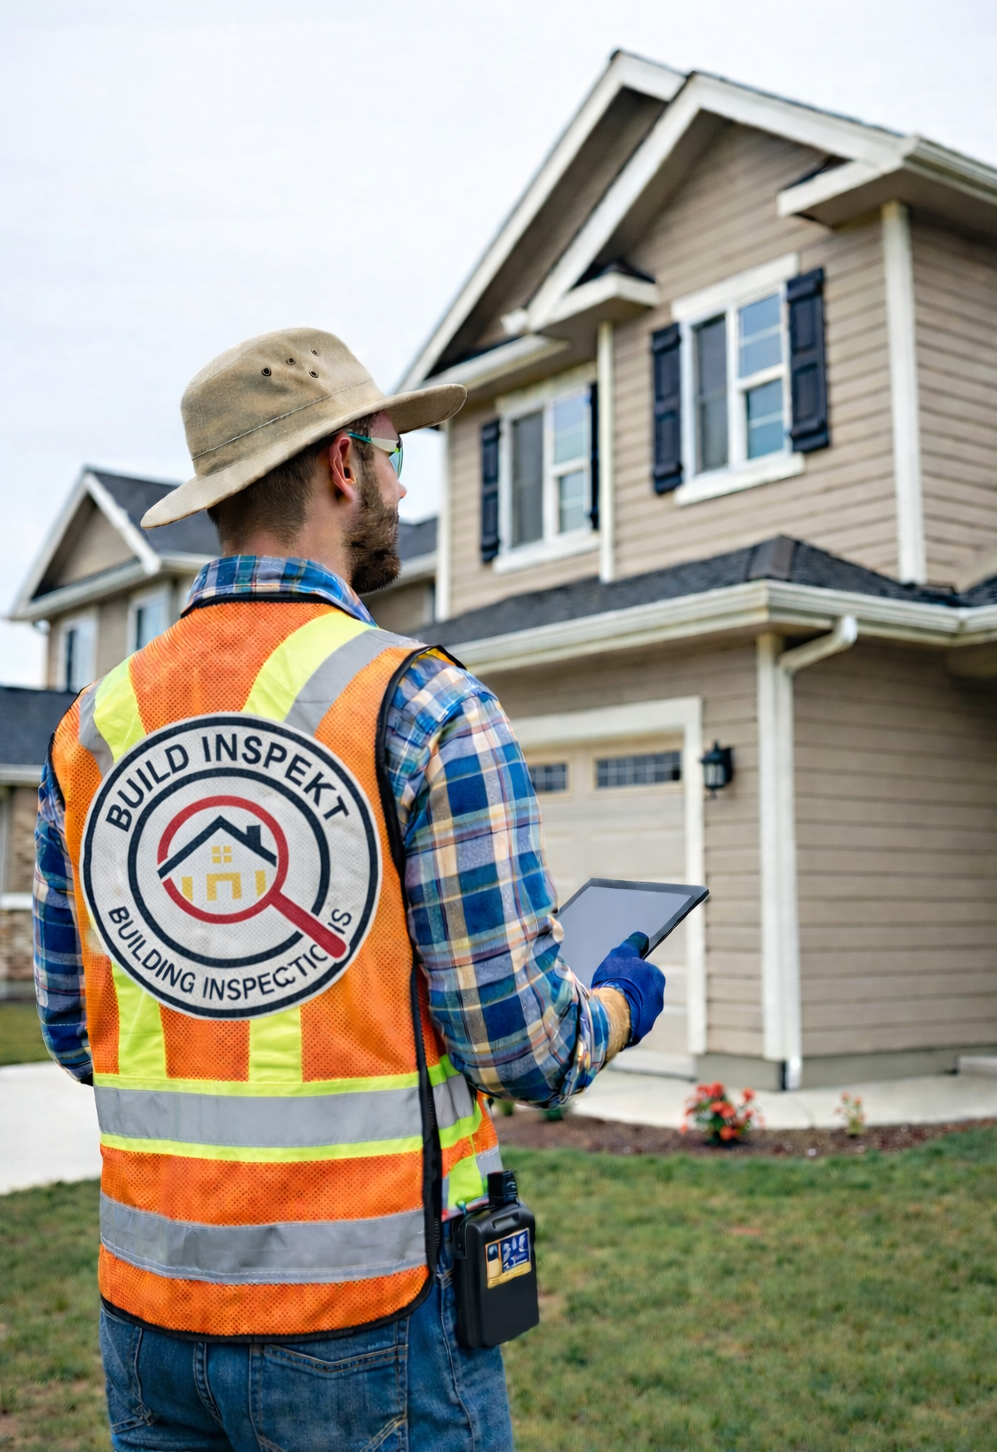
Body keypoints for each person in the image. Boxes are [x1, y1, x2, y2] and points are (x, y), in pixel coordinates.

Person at [34, 327, 665, 1452]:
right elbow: (523, 1047)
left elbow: (79, 1032)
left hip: (149, 1311)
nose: (401, 485)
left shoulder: (92, 728)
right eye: (392, 454)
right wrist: (616, 998)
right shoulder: (421, 703)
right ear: (342, 465)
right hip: (372, 1320)